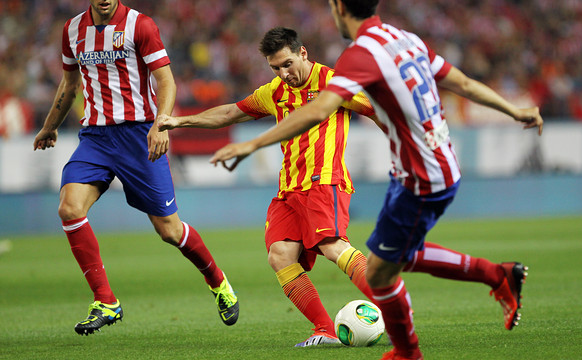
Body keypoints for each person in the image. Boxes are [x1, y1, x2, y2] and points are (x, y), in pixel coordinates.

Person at [209, 0, 544, 358]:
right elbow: (460, 81)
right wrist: (514, 110)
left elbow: (321, 109)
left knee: (378, 262)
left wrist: (252, 145)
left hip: (419, 171)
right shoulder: (406, 40)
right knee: (389, 260)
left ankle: (413, 341)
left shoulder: (358, 56)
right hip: (432, 163)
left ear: (339, 8)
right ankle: (491, 280)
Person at [158, 27, 377, 347]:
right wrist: (180, 121)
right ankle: (325, 330)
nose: (283, 73)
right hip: (289, 190)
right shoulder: (274, 92)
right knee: (280, 255)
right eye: (275, 67)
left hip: (324, 181)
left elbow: (376, 109)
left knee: (332, 247)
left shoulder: (332, 82)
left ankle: (397, 309)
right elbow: (231, 112)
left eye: (287, 64)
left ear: (303, 53)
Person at [32, 0, 238, 336]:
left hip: (139, 135)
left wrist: (161, 125)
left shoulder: (140, 25)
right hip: (96, 138)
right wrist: (50, 125)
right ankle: (106, 300)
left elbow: (167, 82)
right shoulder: (72, 30)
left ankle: (217, 280)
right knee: (69, 208)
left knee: (169, 231)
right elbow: (70, 85)